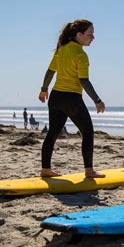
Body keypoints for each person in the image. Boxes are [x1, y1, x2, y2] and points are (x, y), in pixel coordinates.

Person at [39, 19, 106, 178]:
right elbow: (83, 80)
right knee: (88, 132)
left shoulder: (61, 49)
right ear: (79, 34)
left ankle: (45, 169)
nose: (93, 37)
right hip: (71, 99)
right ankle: (89, 170)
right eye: (90, 34)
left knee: (53, 133)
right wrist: (97, 100)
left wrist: (43, 90)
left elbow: (50, 72)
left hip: (55, 97)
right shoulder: (81, 54)